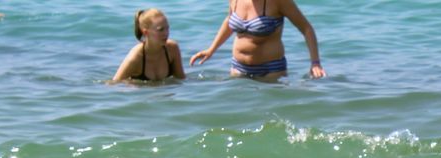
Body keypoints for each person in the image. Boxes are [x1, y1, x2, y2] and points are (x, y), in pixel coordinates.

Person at [189, 0, 325, 81]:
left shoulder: (278, 1)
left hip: (271, 71)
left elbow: (306, 28)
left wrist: (315, 63)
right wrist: (211, 49)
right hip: (238, 68)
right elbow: (230, 20)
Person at [113, 9, 185, 83]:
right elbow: (114, 83)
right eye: (160, 30)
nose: (166, 33)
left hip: (167, 93)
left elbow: (181, 79)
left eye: (167, 28)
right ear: (146, 32)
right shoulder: (136, 57)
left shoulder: (172, 48)